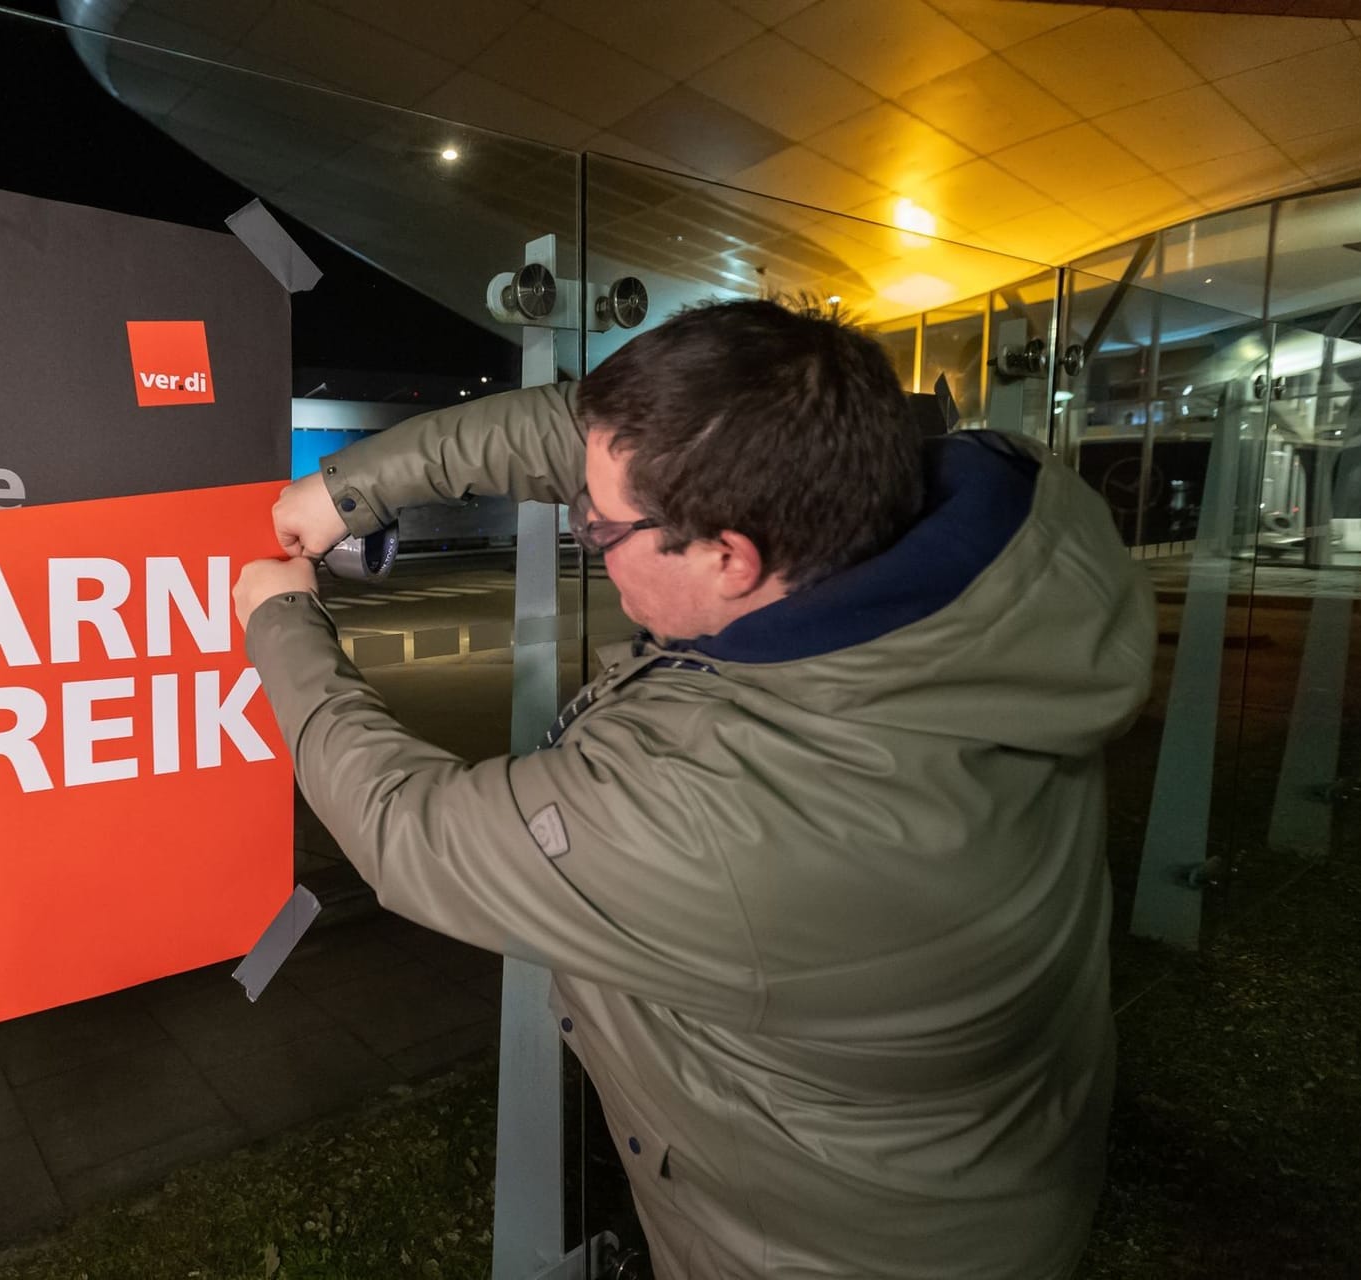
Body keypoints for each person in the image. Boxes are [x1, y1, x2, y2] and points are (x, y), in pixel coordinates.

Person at [232, 299, 1156, 1279]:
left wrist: (283, 622)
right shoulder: (1004, 528)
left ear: (729, 554)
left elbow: (408, 834)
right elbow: (611, 442)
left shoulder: (719, 812)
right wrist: (355, 487)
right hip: (990, 1174)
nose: (584, 527)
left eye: (601, 529)